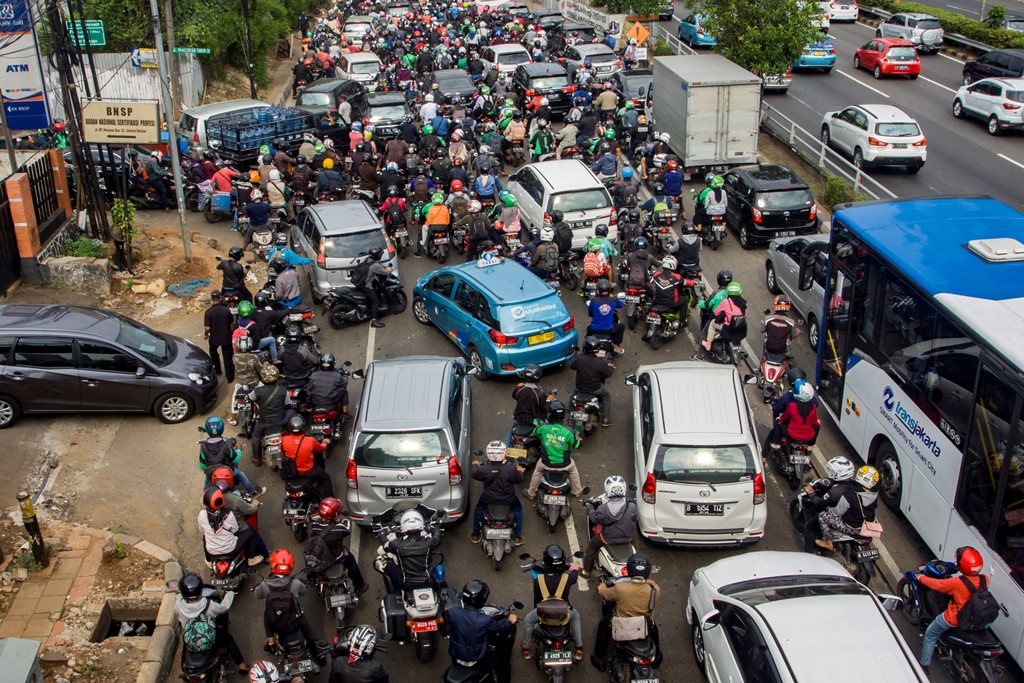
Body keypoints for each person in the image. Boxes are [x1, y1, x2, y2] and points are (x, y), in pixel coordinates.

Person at [918, 547, 988, 673]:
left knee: (930, 634)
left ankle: (924, 666)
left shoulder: (957, 583)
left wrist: (920, 578)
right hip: (975, 617)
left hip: (954, 619)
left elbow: (937, 585)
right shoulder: (984, 579)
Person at [253, 549, 326, 665]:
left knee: (266, 615)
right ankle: (320, 657)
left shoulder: (265, 585)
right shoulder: (295, 583)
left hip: (275, 622)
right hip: (294, 619)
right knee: (310, 634)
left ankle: (271, 643)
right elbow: (303, 592)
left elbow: (257, 594)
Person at [591, 553, 661, 672]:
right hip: (643, 624)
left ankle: (599, 660)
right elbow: (651, 585)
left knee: (602, 627)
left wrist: (601, 587)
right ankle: (657, 657)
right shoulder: (654, 590)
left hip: (621, 623)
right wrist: (650, 582)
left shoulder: (620, 588)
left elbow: (605, 595)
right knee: (654, 628)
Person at [174, 572, 248, 675]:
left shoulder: (178, 605)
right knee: (227, 639)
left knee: (185, 645)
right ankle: (242, 665)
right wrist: (230, 593)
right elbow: (224, 607)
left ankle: (184, 669)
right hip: (212, 636)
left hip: (191, 636)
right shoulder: (209, 605)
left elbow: (178, 599)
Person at [521, 545, 584, 662]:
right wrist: (574, 568)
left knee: (528, 620)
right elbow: (574, 575)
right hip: (564, 612)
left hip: (543, 614)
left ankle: (526, 649)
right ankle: (579, 648)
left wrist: (538, 611)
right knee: (576, 616)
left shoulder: (538, 580)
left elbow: (537, 600)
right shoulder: (568, 579)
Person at [446, 580, 517, 674]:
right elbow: (501, 626)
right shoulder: (485, 620)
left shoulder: (452, 612)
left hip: (455, 654)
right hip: (476, 659)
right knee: (503, 666)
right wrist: (509, 620)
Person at [307, 497, 368, 595]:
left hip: (318, 558)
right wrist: (343, 520)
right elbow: (347, 529)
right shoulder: (339, 529)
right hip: (336, 557)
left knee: (308, 559)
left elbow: (309, 521)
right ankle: (360, 585)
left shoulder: (312, 526)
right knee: (351, 561)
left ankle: (311, 579)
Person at [525, 400, 585, 499]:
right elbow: (576, 445)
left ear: (549, 414)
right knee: (573, 470)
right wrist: (578, 440)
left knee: (537, 471)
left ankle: (531, 493)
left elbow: (534, 433)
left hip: (546, 464)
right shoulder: (569, 432)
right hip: (565, 465)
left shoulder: (543, 428)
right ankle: (578, 491)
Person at [470, 441, 526, 546]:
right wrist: (520, 471)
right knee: (518, 510)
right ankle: (518, 537)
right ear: (503, 454)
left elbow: (474, 473)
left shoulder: (484, 469)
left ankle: (475, 535)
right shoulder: (510, 469)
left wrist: (475, 465)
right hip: (508, 498)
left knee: (478, 511)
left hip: (488, 498)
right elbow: (520, 479)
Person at [581, 476, 637, 578]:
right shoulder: (631, 506)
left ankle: (586, 571)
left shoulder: (603, 509)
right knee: (633, 542)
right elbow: (635, 518)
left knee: (592, 547)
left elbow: (593, 518)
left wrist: (589, 505)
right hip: (627, 538)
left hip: (608, 539)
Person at [210, 467, 270, 561]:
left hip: (218, 528)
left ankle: (208, 560)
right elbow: (249, 510)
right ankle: (265, 556)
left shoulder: (211, 496)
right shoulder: (235, 499)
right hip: (237, 527)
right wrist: (255, 504)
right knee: (254, 535)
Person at [799, 455, 856, 553]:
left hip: (841, 519)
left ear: (839, 474)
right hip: (852, 517)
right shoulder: (855, 485)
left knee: (809, 527)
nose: (831, 473)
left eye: (833, 472)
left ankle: (808, 555)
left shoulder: (835, 493)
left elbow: (819, 503)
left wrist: (811, 492)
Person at [376, 509, 442, 592]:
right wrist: (434, 528)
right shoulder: (429, 543)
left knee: (388, 567)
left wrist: (382, 533)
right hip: (427, 582)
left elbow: (385, 545)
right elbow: (437, 537)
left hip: (406, 584)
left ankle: (392, 591)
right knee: (439, 571)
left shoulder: (397, 545)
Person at [815, 465, 879, 551]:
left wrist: (828, 509)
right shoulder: (874, 494)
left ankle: (828, 542)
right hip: (865, 527)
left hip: (850, 527)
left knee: (823, 515)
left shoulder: (851, 493)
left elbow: (836, 512)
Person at [198, 486, 263, 565]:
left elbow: (202, 530)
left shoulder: (202, 514)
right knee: (250, 533)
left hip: (211, 551)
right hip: (231, 549)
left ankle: (209, 561)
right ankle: (251, 559)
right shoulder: (228, 514)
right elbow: (235, 529)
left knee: (205, 537)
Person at [199, 416, 261, 495]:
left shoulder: (203, 446)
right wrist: (239, 449)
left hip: (212, 472)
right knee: (241, 476)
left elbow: (202, 466)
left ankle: (205, 497)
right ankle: (253, 493)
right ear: (222, 429)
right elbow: (235, 460)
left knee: (207, 481)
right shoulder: (227, 445)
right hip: (228, 470)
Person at [280, 415, 334, 499]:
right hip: (308, 471)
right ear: (303, 428)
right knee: (326, 478)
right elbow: (321, 449)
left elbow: (283, 451)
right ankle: (330, 500)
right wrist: (325, 442)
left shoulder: (285, 440)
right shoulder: (310, 441)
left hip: (292, 471)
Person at [249, 364, 292, 467]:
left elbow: (249, 399)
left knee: (255, 437)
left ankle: (256, 458)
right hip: (280, 421)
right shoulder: (282, 390)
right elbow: (288, 405)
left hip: (263, 423)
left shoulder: (257, 391)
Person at [569, 336, 615, 427]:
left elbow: (572, 366)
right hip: (595, 389)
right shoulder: (600, 363)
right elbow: (608, 374)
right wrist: (610, 366)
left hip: (579, 387)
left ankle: (568, 409)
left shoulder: (579, 358)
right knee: (606, 396)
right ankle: (606, 419)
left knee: (572, 395)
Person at [349, 247, 392, 328]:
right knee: (376, 302)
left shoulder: (367, 259)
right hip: (366, 286)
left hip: (359, 283)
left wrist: (383, 266)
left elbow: (378, 264)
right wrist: (389, 269)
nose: (380, 256)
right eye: (380, 255)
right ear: (377, 256)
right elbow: (385, 272)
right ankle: (374, 321)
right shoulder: (374, 266)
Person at [700, 280, 746, 354]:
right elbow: (744, 315)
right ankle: (739, 345)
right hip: (741, 327)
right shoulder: (743, 302)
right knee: (739, 332)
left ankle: (708, 343)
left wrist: (713, 316)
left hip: (728, 327)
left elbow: (716, 313)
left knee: (712, 324)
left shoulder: (726, 301)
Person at [507, 364, 548, 444]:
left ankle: (505, 449)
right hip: (534, 422)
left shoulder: (518, 389)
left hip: (519, 419)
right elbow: (543, 407)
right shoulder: (540, 394)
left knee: (509, 435)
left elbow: (514, 396)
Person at [586, 280, 624, 355]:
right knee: (621, 327)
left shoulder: (593, 301)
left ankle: (587, 345)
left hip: (594, 329)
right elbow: (621, 305)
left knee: (588, 332)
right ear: (609, 290)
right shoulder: (614, 300)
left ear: (597, 290)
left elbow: (590, 314)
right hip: (609, 330)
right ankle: (616, 345)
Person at [204, 291, 235, 382]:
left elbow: (207, 327)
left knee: (213, 353)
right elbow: (231, 325)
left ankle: (218, 370)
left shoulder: (208, 312)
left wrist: (206, 334)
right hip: (226, 338)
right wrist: (232, 334)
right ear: (221, 298)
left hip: (214, 338)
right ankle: (230, 378)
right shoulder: (226, 310)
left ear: (212, 300)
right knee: (228, 358)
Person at [419, 192, 451, 258]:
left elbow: (429, 221)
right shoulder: (445, 208)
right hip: (444, 227)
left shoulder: (431, 209)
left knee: (425, 230)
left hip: (433, 228)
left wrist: (426, 224)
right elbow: (448, 219)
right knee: (447, 234)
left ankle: (425, 246)